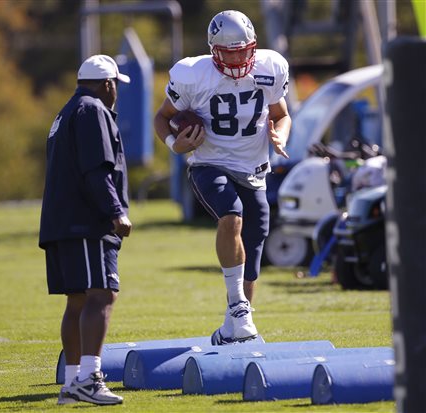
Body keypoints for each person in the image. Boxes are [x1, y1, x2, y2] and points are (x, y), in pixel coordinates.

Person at [154, 10, 291, 345]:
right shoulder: (192, 74)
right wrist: (175, 144)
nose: (237, 59)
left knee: (253, 256)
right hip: (209, 162)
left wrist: (281, 136)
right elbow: (162, 117)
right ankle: (239, 310)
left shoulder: (271, 67)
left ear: (253, 46)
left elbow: (281, 114)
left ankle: (234, 327)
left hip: (254, 170)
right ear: (214, 50)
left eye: (243, 51)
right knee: (232, 217)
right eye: (229, 53)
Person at [39, 54, 132, 405]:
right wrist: (115, 212)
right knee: (102, 294)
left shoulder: (66, 111)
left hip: (61, 220)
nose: (116, 95)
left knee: (78, 299)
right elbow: (97, 170)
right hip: (84, 221)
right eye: (115, 87)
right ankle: (89, 380)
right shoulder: (92, 109)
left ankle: (72, 383)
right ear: (107, 83)